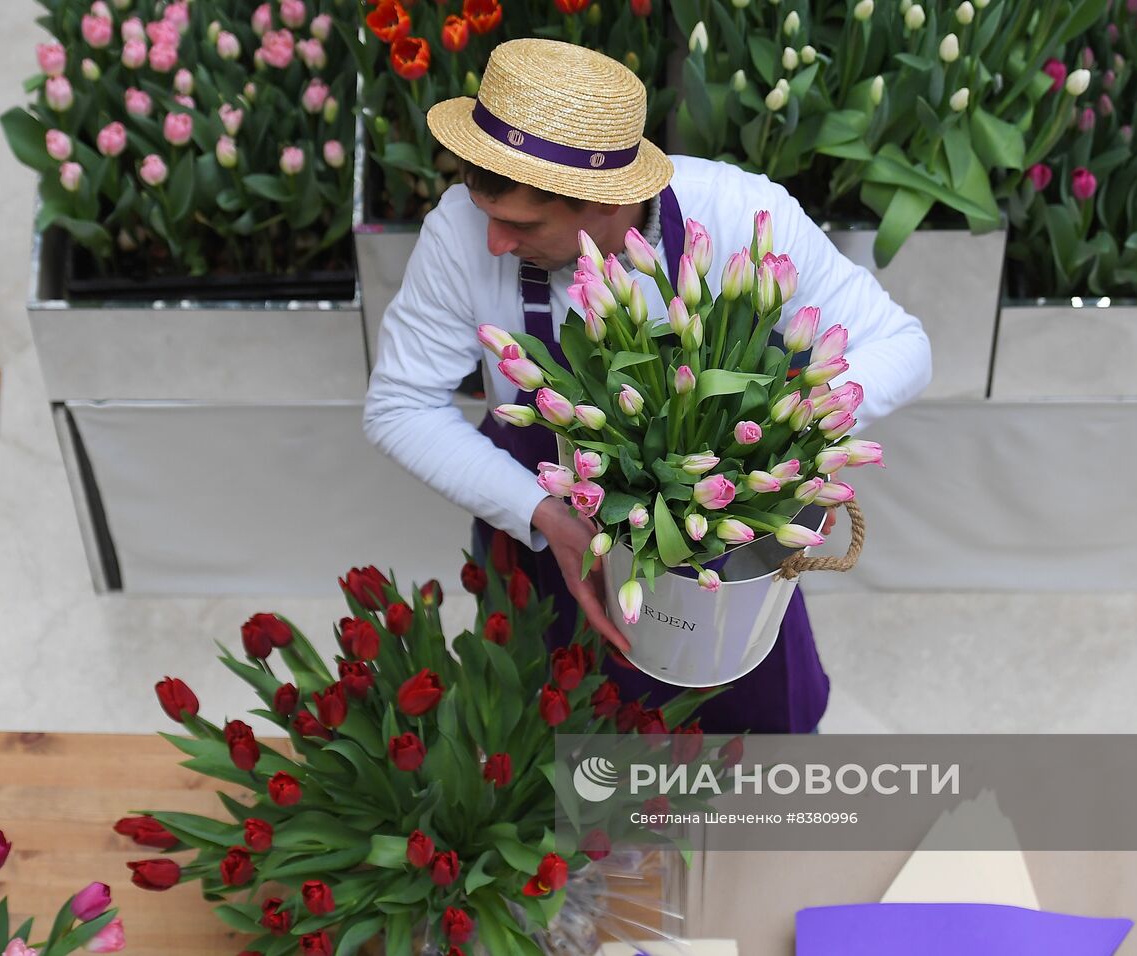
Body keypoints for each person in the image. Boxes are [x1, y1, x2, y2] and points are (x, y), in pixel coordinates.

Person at [364, 38, 931, 734]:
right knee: (571, 754)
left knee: (752, 744)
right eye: (488, 215)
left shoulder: (739, 214)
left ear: (607, 201)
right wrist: (544, 515)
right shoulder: (458, 232)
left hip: (728, 536)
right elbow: (399, 406)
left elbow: (903, 345)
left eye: (519, 224)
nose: (494, 247)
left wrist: (786, 434)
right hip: (550, 526)